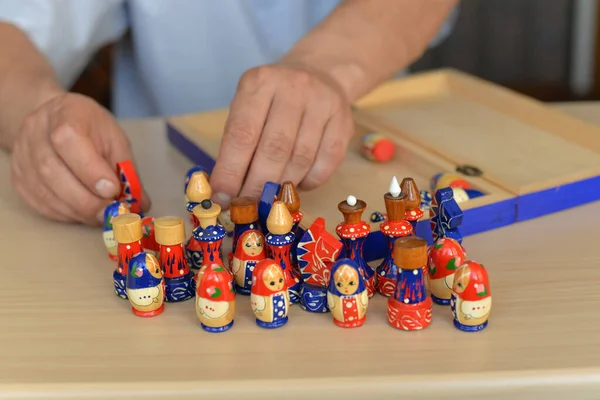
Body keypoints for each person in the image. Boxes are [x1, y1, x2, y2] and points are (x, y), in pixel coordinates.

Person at [0, 0, 459, 226]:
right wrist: (39, 116)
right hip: (161, 168)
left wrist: (325, 69)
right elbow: (14, 24)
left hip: (371, 159)